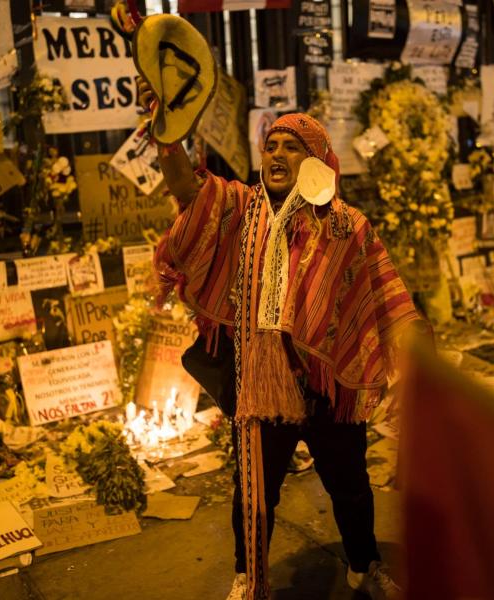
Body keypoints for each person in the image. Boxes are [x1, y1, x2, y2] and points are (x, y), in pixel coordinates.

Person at [149, 102, 420, 598]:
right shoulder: (236, 209)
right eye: (270, 145)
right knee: (253, 493)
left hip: (327, 384)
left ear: (317, 158)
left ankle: (364, 564)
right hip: (259, 385)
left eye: (291, 147)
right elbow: (187, 189)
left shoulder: (345, 225)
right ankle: (247, 578)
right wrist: (168, 137)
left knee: (351, 485)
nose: (276, 154)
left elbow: (383, 291)